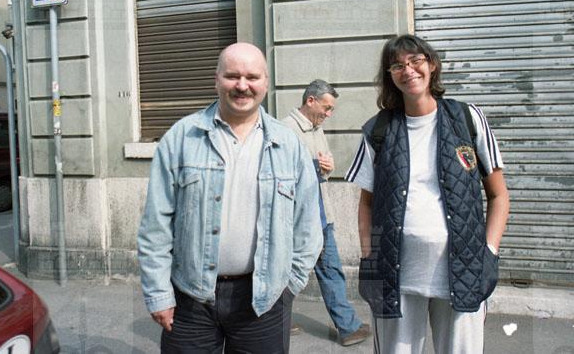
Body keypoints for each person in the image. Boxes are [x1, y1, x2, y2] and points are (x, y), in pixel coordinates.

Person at [137, 42, 323, 353]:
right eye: (232, 76)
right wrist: (158, 293)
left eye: (252, 77)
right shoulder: (182, 138)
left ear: (265, 82)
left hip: (264, 302)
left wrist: (289, 286)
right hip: (190, 300)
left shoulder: (288, 145)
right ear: (217, 80)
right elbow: (155, 226)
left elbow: (308, 225)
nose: (242, 85)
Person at [345, 34, 510, 354]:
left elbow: (499, 196)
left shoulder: (468, 119)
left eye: (415, 60)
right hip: (395, 277)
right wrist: (369, 256)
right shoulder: (377, 130)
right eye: (397, 65)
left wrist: (489, 252)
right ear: (390, 76)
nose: (408, 70)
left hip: (464, 271)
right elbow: (366, 204)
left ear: (432, 65)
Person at [281, 80, 371, 346]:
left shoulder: (316, 128)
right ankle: (347, 327)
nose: (329, 114)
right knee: (304, 271)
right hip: (299, 219)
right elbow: (283, 174)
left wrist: (327, 168)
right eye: (327, 107)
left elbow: (321, 172)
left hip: (320, 214)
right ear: (311, 100)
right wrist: (314, 168)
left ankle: (345, 326)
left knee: (324, 269)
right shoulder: (285, 130)